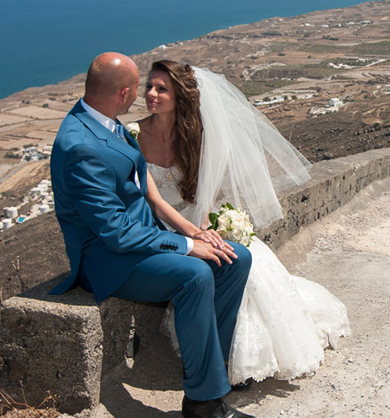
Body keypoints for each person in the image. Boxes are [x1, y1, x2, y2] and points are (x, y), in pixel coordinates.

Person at [49, 52, 256, 418]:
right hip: (109, 260)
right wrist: (185, 245)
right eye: (141, 87)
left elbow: (146, 199)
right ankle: (203, 400)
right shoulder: (81, 145)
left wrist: (191, 234)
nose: (145, 96)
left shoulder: (105, 123)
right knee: (195, 274)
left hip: (141, 242)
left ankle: (210, 366)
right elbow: (114, 232)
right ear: (124, 92)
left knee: (236, 257)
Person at [136, 59, 351, 385]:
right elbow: (154, 200)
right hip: (163, 227)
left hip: (196, 222)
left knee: (247, 264)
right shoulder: (134, 135)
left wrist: (209, 227)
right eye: (149, 86)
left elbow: (205, 193)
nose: (150, 94)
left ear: (180, 95)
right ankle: (216, 357)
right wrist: (193, 234)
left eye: (161, 88)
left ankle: (236, 356)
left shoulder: (197, 137)